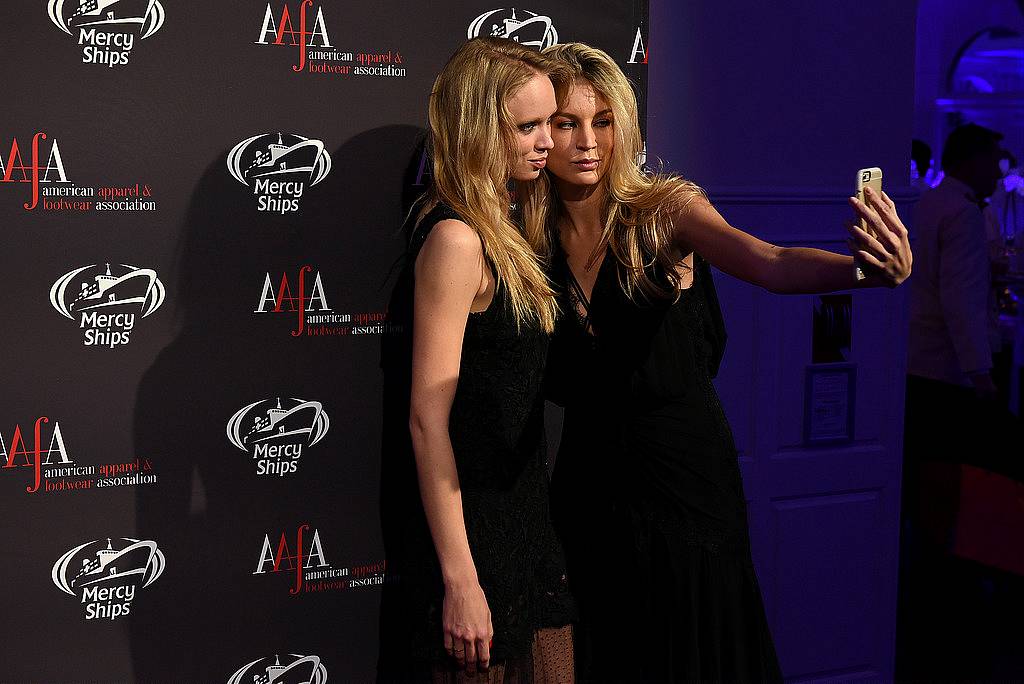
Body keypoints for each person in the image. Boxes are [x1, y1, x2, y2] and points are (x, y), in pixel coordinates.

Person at [538, 43, 912, 681]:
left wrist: (864, 272)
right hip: (588, 479)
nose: (588, 141)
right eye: (567, 123)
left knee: (691, 650)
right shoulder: (528, 236)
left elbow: (769, 262)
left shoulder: (662, 211)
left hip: (683, 479)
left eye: (602, 120)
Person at [376, 37, 575, 683]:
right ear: (477, 128)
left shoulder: (511, 230)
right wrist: (461, 581)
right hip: (472, 539)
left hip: (524, 526)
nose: (548, 141)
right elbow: (426, 421)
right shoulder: (457, 238)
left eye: (552, 121)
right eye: (528, 126)